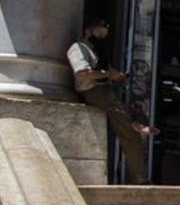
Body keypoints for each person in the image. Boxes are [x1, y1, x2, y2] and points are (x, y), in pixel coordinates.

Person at [67, 19, 158, 184]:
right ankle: (139, 178)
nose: (104, 35)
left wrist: (115, 76)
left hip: (105, 92)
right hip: (94, 92)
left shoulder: (93, 50)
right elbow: (82, 74)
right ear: (89, 30)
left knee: (133, 117)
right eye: (101, 31)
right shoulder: (78, 48)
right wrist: (108, 75)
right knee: (129, 132)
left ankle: (134, 122)